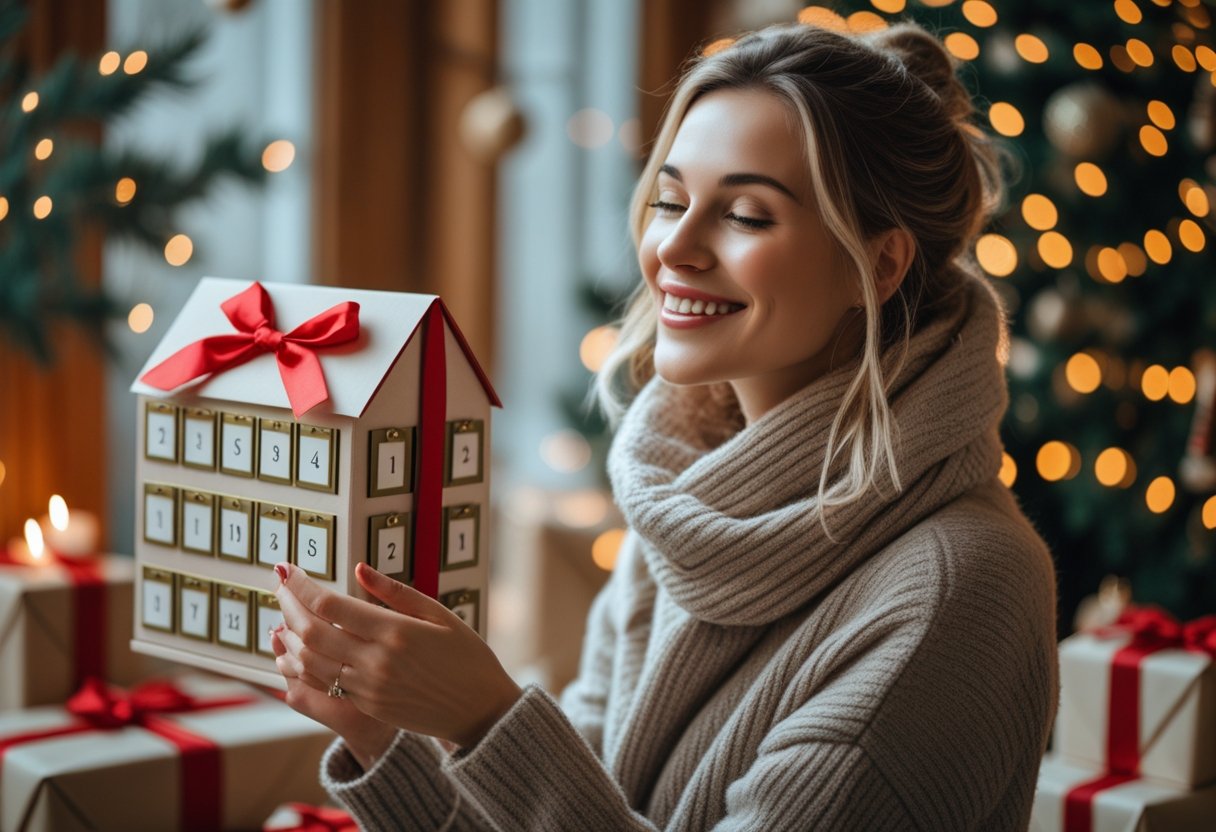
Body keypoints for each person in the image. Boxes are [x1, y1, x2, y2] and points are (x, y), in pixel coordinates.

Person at [271, 19, 1058, 831]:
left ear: (880, 265)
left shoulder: (958, 594)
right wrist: (384, 738)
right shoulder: (683, 505)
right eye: (671, 200)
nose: (672, 247)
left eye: (747, 215)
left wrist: (486, 721)